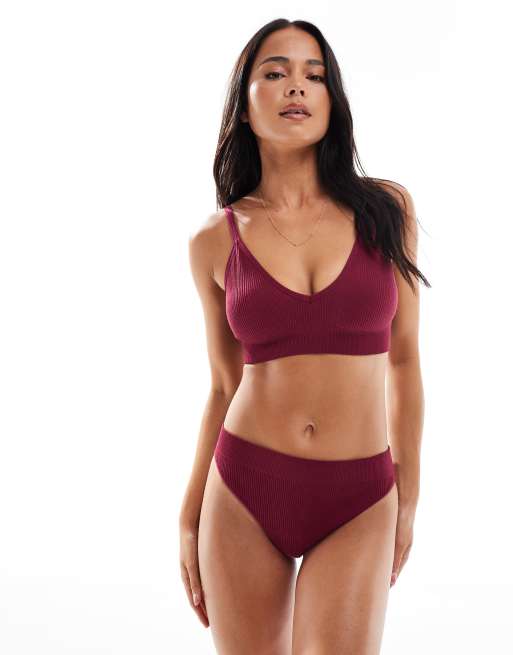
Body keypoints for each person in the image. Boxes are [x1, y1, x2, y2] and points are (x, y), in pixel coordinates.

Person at [179, 17, 430, 654]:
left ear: (331, 100)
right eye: (276, 72)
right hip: (243, 489)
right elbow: (223, 385)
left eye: (314, 76)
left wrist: (408, 491)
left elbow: (405, 362)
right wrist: (188, 515)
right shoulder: (215, 239)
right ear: (243, 106)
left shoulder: (386, 212)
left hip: (359, 496)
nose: (297, 86)